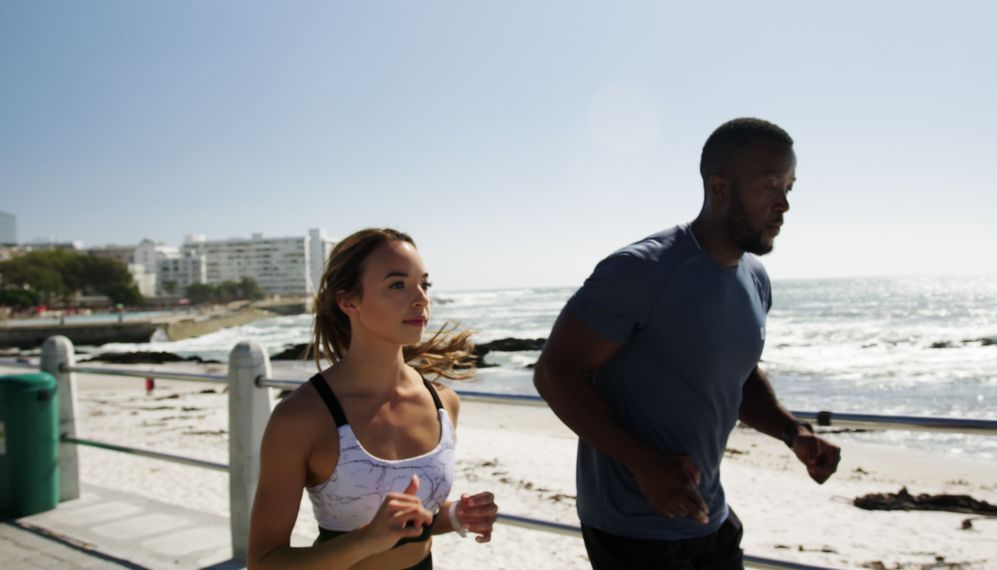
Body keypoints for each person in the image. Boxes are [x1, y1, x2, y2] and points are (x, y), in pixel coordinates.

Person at [534, 118, 842, 569]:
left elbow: (737, 375)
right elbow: (555, 373)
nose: (784, 204)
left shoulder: (755, 279)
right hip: (632, 528)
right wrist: (645, 463)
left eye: (789, 187)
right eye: (770, 186)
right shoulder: (641, 270)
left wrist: (793, 433)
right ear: (720, 187)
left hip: (709, 516)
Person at [248, 228, 498, 570]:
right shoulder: (301, 418)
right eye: (397, 285)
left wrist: (456, 515)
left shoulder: (442, 402)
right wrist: (365, 540)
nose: (421, 299)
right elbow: (264, 562)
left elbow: (411, 524)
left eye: (424, 285)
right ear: (349, 302)